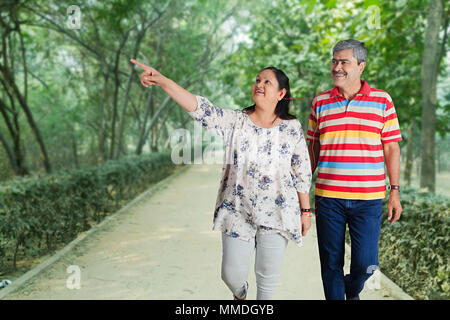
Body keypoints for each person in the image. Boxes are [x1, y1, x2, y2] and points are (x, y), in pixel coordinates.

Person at [131, 59, 312, 300]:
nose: (259, 84)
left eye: (267, 82)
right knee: (231, 275)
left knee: (268, 280)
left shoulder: (291, 128)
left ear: (281, 93)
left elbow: (301, 170)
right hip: (236, 209)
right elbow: (200, 108)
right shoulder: (236, 121)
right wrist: (163, 81)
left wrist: (305, 211)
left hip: (278, 212)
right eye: (258, 80)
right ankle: (241, 293)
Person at [306, 39, 403, 300]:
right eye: (334, 61)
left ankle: (351, 290)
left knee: (366, 264)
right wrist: (302, 191)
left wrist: (394, 192)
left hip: (369, 200)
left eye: (344, 62)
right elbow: (311, 149)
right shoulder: (320, 103)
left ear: (361, 66)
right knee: (330, 265)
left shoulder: (382, 101)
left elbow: (392, 149)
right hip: (328, 198)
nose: (337, 67)